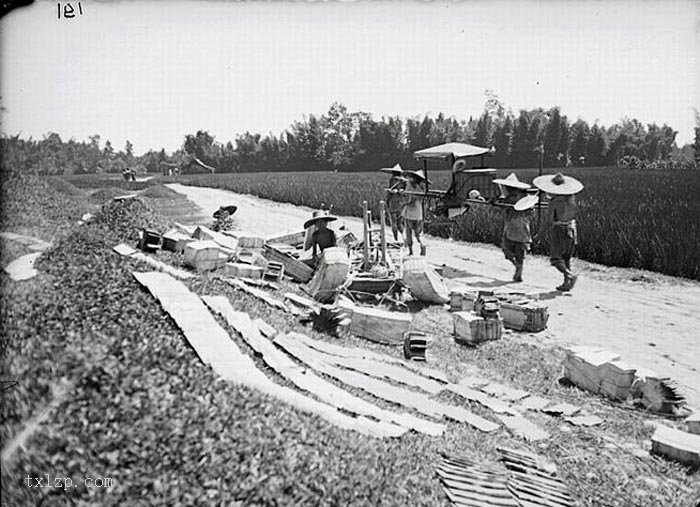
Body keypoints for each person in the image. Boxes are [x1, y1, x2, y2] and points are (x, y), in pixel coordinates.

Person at [533, 172, 584, 291]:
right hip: (571, 228)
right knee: (566, 258)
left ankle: (569, 276)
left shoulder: (555, 202)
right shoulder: (571, 199)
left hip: (559, 229)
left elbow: (549, 220)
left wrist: (539, 234)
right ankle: (566, 283)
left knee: (556, 258)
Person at [492, 173, 534, 282]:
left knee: (508, 250)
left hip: (514, 226)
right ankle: (518, 268)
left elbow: (500, 210)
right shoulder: (524, 198)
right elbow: (531, 210)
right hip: (519, 226)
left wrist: (495, 203)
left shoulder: (512, 199)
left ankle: (518, 268)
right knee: (515, 250)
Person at [400, 169, 428, 256]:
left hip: (410, 213)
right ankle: (422, 245)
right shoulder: (422, 188)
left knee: (408, 232)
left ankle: (411, 251)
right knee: (418, 233)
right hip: (419, 214)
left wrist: (402, 198)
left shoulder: (410, 187)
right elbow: (424, 203)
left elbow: (408, 200)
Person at [381, 163, 406, 242]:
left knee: (394, 223)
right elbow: (405, 191)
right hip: (401, 203)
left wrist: (387, 201)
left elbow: (389, 193)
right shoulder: (404, 181)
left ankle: (396, 239)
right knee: (400, 223)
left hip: (393, 203)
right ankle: (404, 237)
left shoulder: (392, 180)